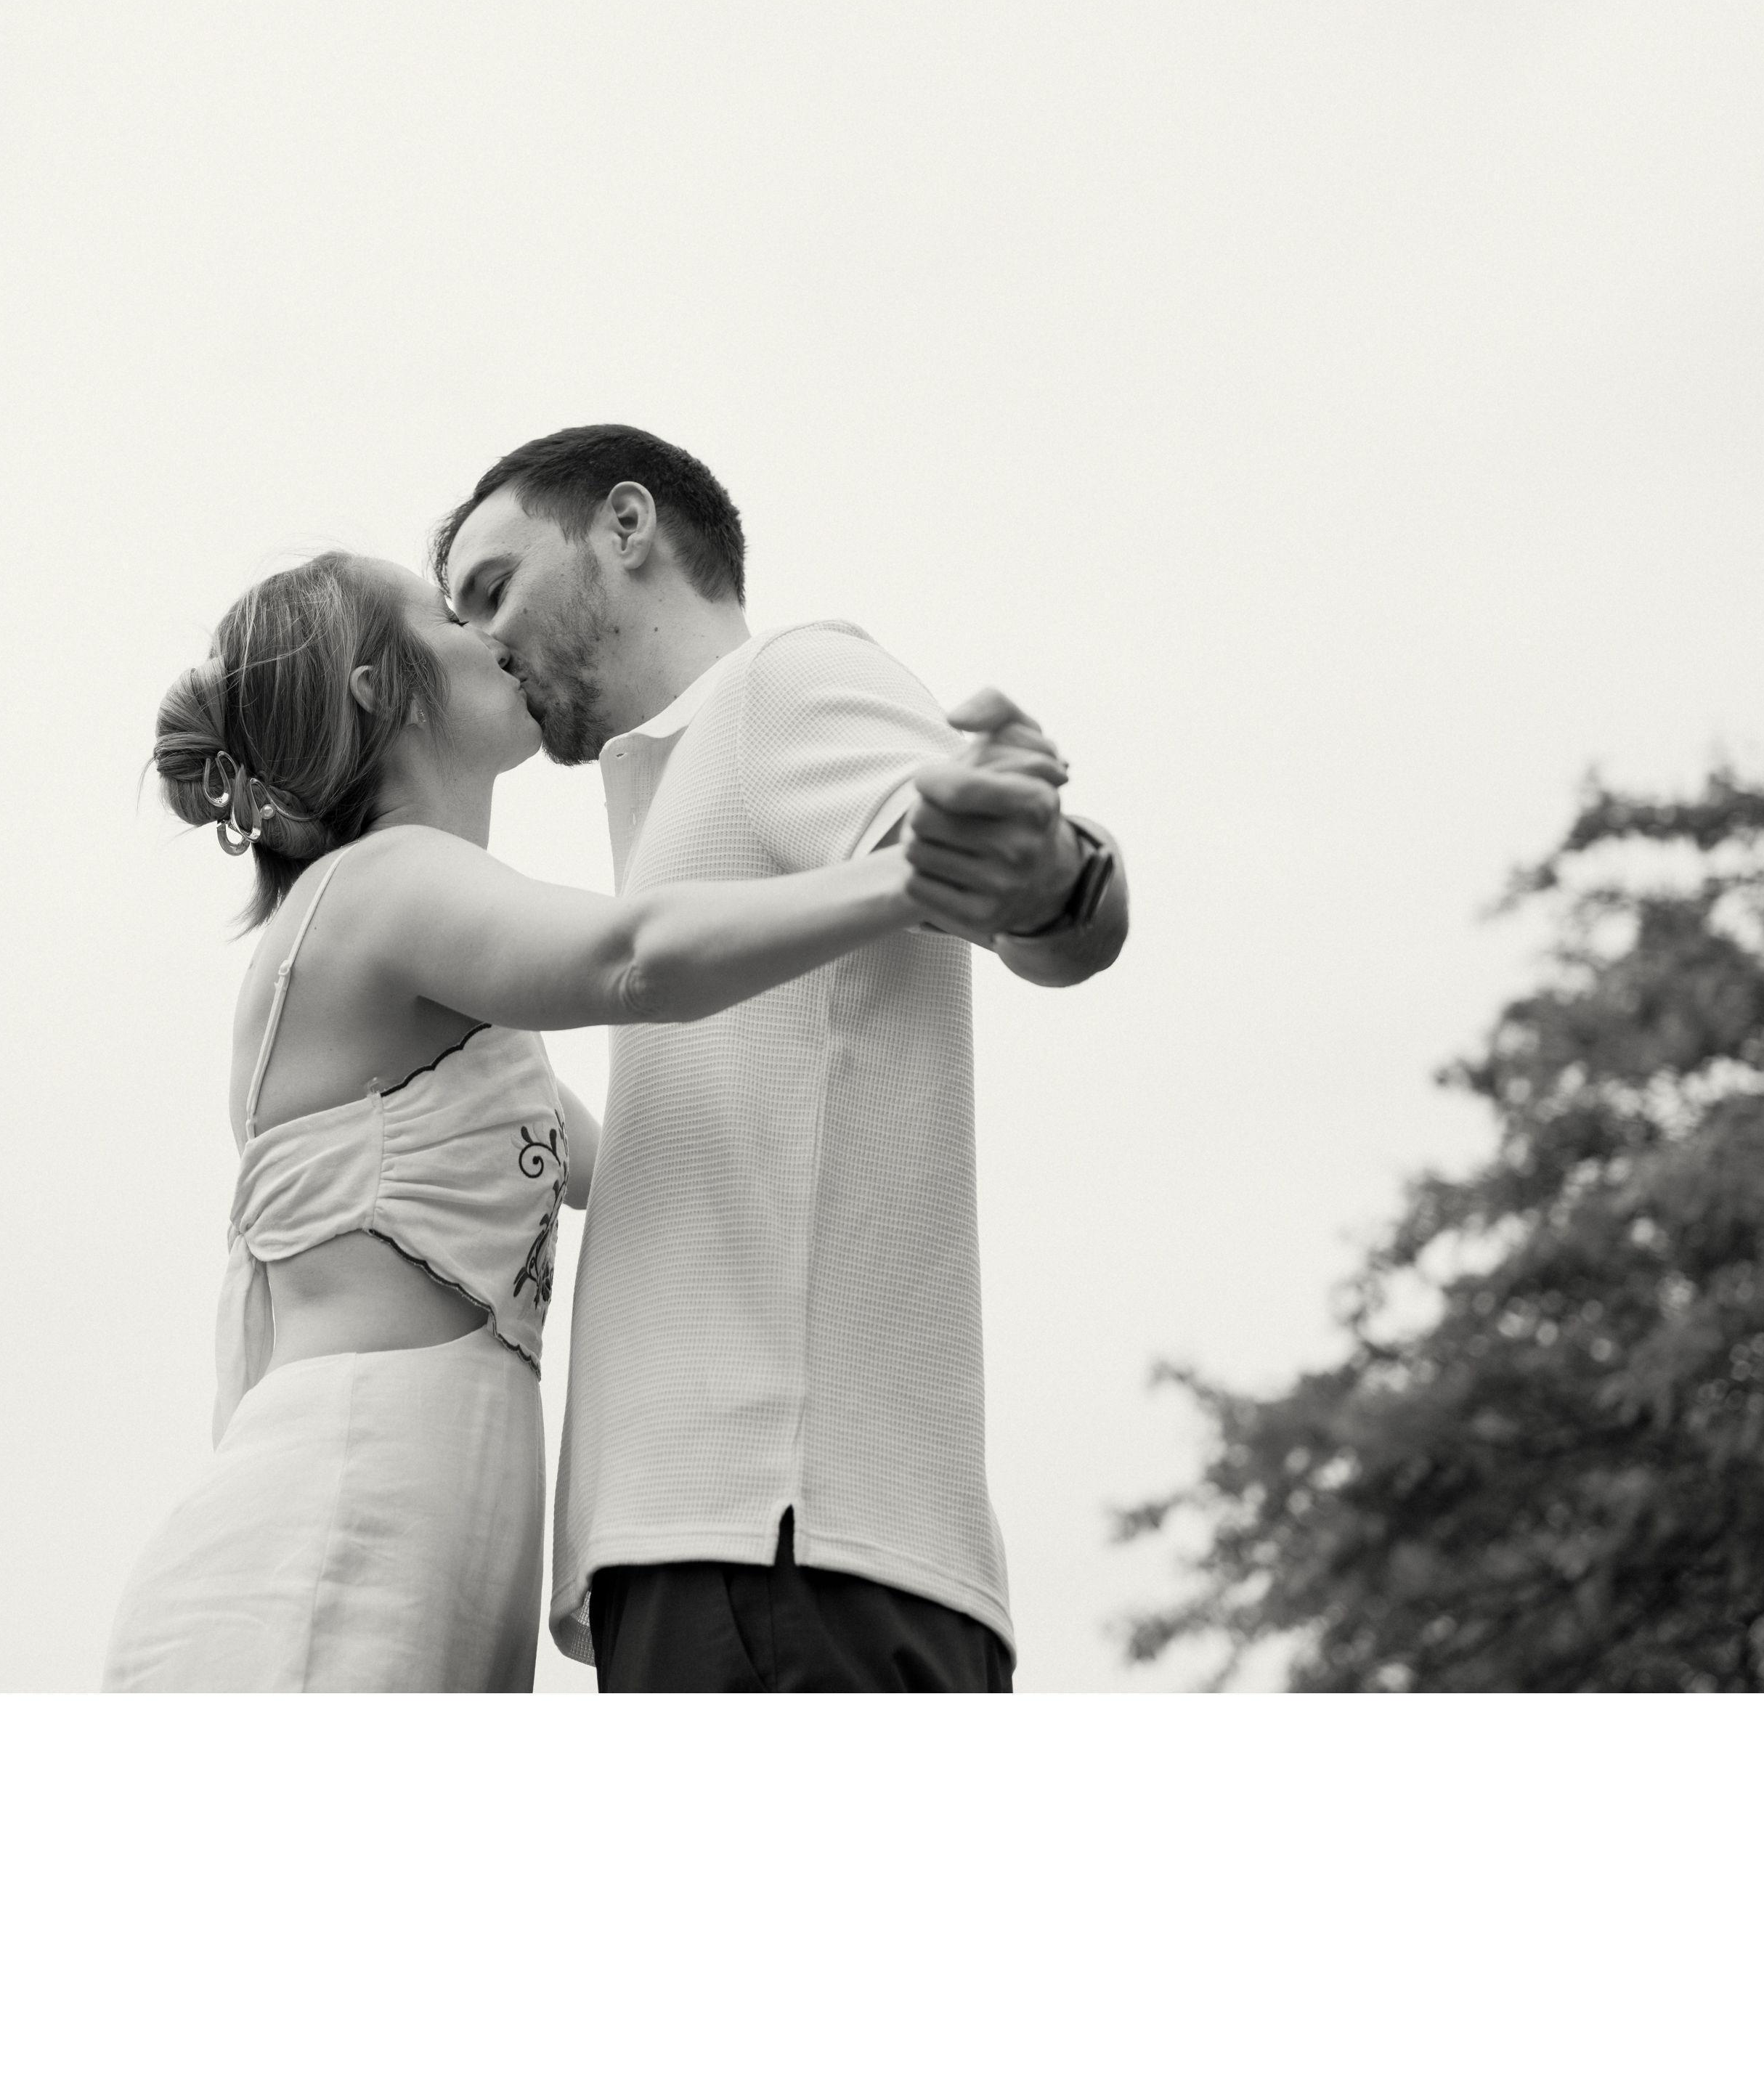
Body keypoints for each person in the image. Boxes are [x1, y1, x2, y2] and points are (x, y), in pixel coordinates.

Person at [101, 547, 961, 1693]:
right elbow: (637, 958)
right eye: (449, 618)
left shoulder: (431, 988)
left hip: (431, 1525)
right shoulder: (380, 884)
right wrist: (921, 871)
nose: (491, 636)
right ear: (377, 684)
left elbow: (647, 1151)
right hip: (337, 1524)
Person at [433, 425, 1129, 1693]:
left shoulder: (783, 686)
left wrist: (1053, 873)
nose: (482, 641)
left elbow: (1033, 896)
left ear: (626, 526)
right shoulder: (676, 793)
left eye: (494, 587)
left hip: (780, 1541)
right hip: (745, 1553)